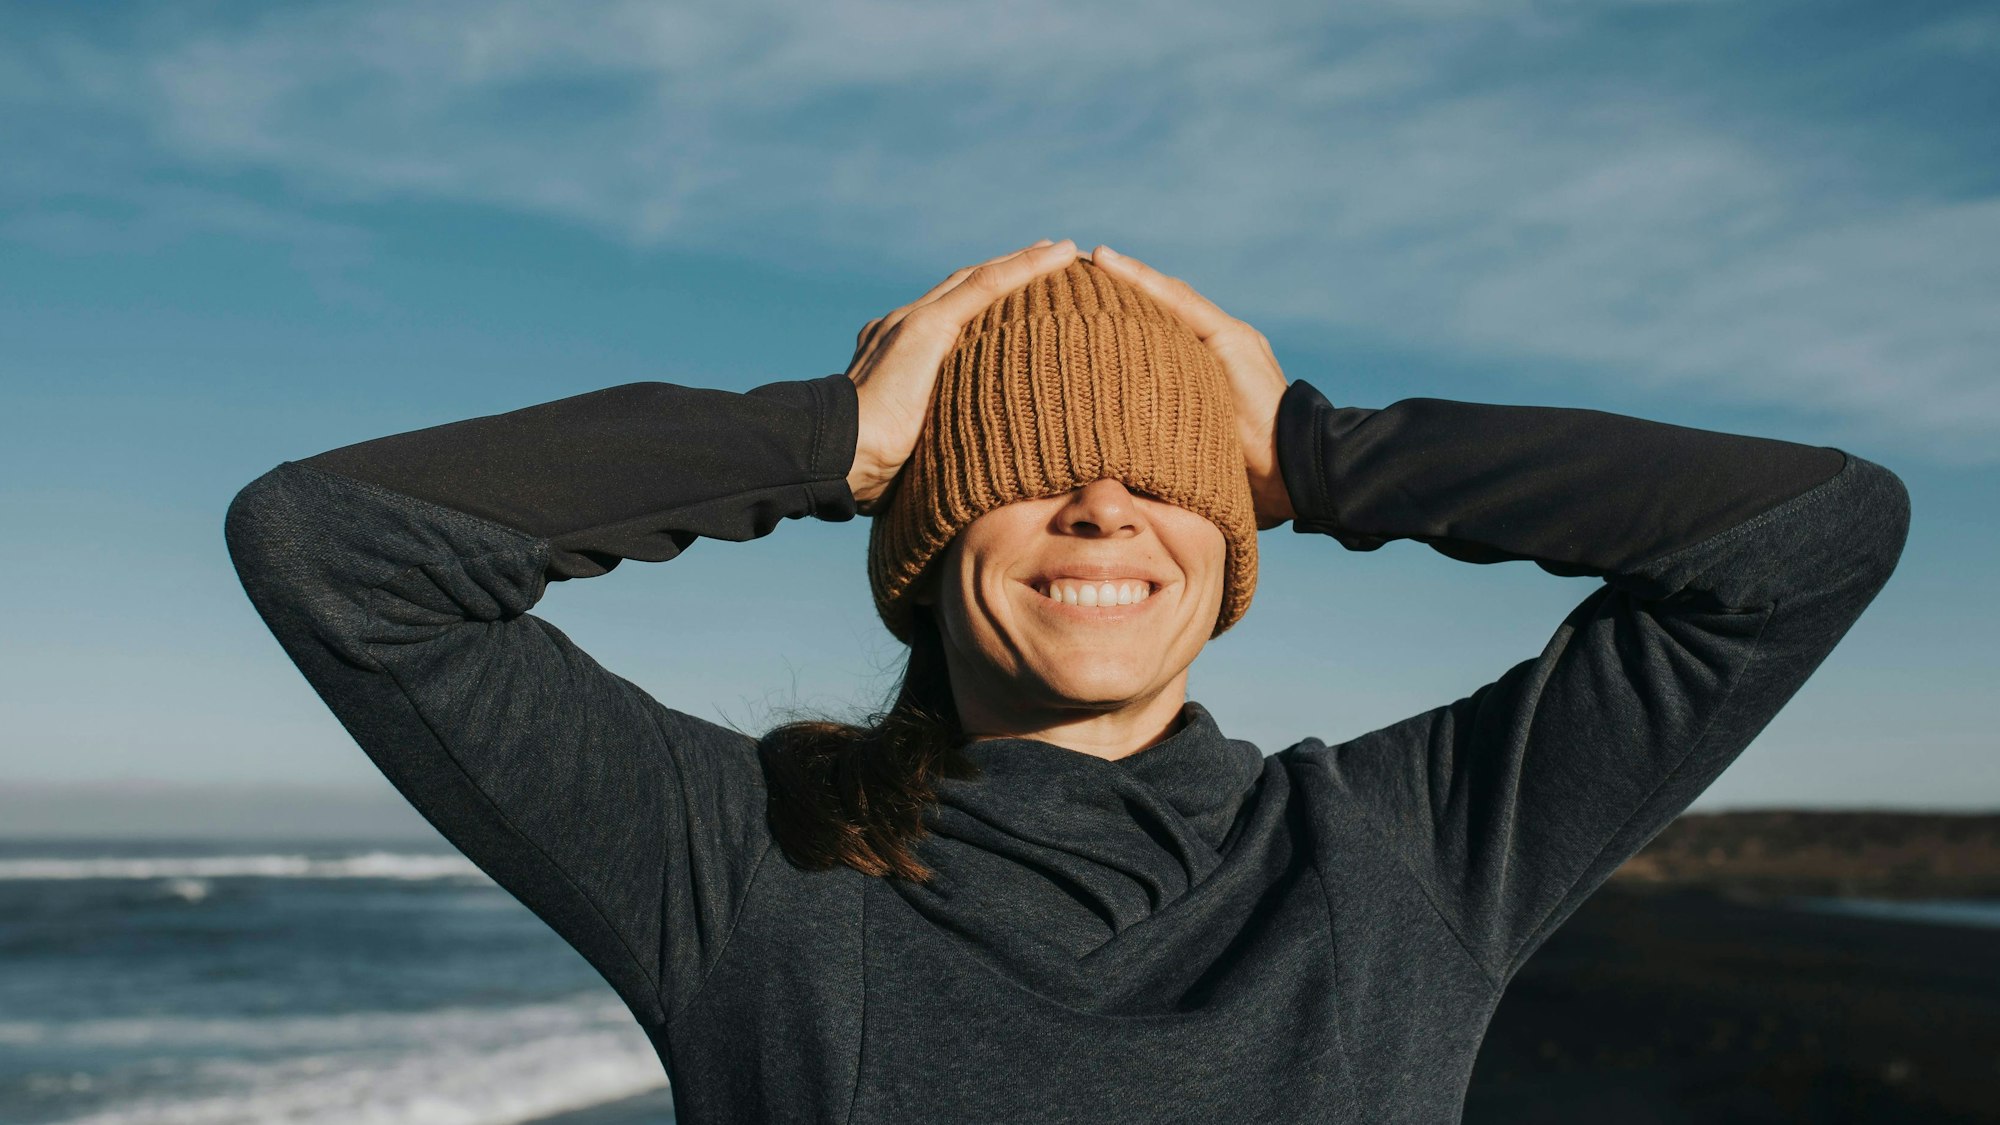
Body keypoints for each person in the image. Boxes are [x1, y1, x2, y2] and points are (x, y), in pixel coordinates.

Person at [224, 238, 1909, 1123]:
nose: (1102, 503)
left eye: (1162, 475)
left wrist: (1323, 450)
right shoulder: (744, 861)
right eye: (1030, 470)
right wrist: (837, 432)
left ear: (1230, 543)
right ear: (921, 541)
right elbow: (334, 545)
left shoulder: (1407, 848)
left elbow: (1810, 536)